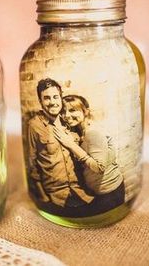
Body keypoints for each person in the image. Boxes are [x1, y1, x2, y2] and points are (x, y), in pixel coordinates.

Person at [27, 79, 93, 213]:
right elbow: (32, 164)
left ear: (61, 98)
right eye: (46, 98)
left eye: (55, 97)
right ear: (40, 101)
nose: (52, 102)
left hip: (81, 192)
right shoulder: (34, 125)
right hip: (56, 197)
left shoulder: (68, 120)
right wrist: (43, 197)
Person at [53, 95, 125, 213]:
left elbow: (99, 167)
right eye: (63, 111)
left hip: (109, 193)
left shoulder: (92, 133)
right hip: (101, 191)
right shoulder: (82, 130)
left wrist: (71, 145)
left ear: (85, 111)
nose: (67, 115)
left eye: (72, 110)